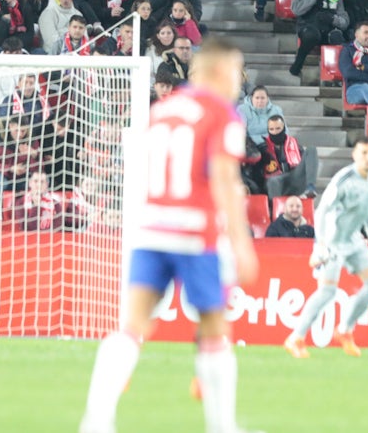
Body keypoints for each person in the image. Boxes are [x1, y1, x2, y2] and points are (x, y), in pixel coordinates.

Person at [80, 39, 257, 433]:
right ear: (216, 71)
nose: (238, 81)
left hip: (151, 228)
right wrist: (242, 244)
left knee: (132, 325)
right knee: (214, 329)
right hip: (195, 233)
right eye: (235, 71)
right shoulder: (221, 113)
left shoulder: (163, 110)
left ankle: (95, 421)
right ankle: (222, 426)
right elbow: (226, 180)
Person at [282, 136, 368, 358]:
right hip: (332, 241)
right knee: (327, 292)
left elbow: (367, 207)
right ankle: (295, 338)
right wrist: (320, 245)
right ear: (354, 155)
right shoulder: (344, 179)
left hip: (354, 240)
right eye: (364, 153)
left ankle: (345, 330)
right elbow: (321, 212)